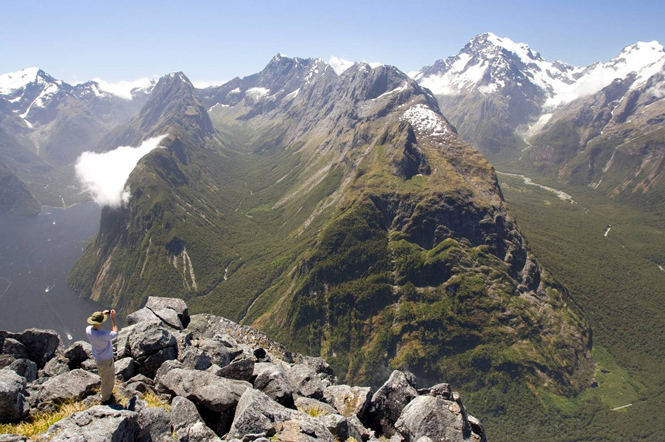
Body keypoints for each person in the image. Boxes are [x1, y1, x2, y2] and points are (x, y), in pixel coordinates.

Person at [85, 309, 119, 404]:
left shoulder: (88, 330)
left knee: (103, 376)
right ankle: (105, 399)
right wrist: (112, 319)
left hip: (98, 360)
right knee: (108, 380)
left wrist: (102, 315)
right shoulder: (103, 335)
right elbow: (115, 332)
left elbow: (95, 325)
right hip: (107, 361)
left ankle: (105, 393)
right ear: (100, 323)